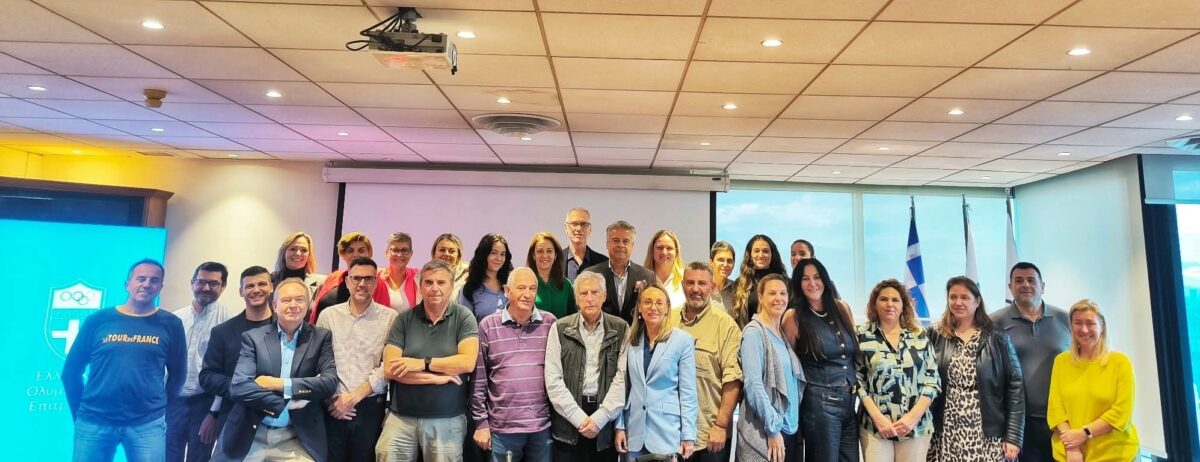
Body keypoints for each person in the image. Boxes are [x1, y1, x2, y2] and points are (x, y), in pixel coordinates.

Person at [63, 259, 187, 462]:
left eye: (154, 280)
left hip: (147, 424)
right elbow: (70, 372)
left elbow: (179, 374)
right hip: (94, 421)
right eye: (141, 279)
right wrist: (79, 413)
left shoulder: (171, 324)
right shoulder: (98, 320)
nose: (147, 284)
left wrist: (162, 409)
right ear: (127, 284)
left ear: (160, 287)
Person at [218, 278, 339, 462]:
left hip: (297, 435)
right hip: (251, 431)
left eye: (299, 300)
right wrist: (288, 402)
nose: (293, 305)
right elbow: (239, 387)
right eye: (286, 300)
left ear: (308, 304)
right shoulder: (253, 338)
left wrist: (280, 384)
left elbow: (329, 383)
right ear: (274, 305)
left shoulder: (321, 338)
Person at [376, 259, 480, 462]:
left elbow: (467, 362)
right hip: (400, 418)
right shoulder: (403, 319)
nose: (435, 288)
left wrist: (421, 363)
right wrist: (438, 378)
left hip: (447, 419)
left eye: (441, 282)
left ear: (451, 286)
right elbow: (390, 369)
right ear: (420, 286)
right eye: (429, 282)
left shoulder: (464, 317)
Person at [928, 276, 1025, 462]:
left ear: (977, 301)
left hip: (986, 431)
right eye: (953, 297)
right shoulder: (935, 334)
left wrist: (1013, 436)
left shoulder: (997, 338)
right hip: (945, 429)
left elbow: (1015, 387)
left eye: (965, 297)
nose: (958, 302)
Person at [316, 257, 399, 462]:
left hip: (369, 407)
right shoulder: (328, 316)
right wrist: (332, 399)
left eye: (368, 279)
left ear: (376, 282)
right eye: (356, 278)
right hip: (332, 405)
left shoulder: (390, 318)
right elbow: (319, 361)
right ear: (347, 282)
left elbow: (387, 366)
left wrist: (353, 398)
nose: (362, 284)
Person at [472, 267, 558, 462]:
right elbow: (479, 380)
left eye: (532, 288)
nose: (527, 294)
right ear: (507, 291)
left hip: (541, 427)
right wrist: (481, 423)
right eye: (521, 288)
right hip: (502, 429)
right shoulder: (488, 325)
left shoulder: (550, 323)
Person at [544, 271, 629, 462]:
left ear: (604, 296)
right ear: (576, 299)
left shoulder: (621, 328)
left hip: (605, 422)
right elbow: (553, 379)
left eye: (595, 292)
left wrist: (600, 418)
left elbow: (622, 379)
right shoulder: (560, 328)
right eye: (583, 293)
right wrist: (579, 419)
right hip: (568, 421)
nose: (589, 298)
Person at [990, 262, 1070, 462]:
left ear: (1042, 286)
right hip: (1019, 422)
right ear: (1010, 287)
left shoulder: (1066, 319)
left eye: (1031, 280)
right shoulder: (993, 323)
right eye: (1019, 280)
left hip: (1064, 419)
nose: (1025, 284)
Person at [781, 258, 858, 462]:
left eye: (817, 277)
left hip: (850, 402)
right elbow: (789, 367)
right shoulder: (793, 316)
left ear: (825, 279)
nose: (812, 283)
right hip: (819, 404)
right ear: (798, 284)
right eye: (805, 278)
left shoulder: (842, 308)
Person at [856, 279, 940, 462]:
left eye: (895, 300)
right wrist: (878, 418)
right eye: (883, 299)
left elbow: (932, 380)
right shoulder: (861, 335)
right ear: (874, 304)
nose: (889, 304)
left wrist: (912, 418)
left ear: (903, 306)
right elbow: (857, 381)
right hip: (875, 427)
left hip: (916, 426)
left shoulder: (919, 335)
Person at [200, 266, 276, 462]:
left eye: (262, 284)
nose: (256, 290)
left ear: (271, 287)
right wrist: (243, 388)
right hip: (234, 422)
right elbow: (207, 377)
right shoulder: (223, 332)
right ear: (241, 291)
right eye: (249, 286)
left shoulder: (287, 329)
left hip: (278, 424)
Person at [614, 283, 698, 461]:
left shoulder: (683, 341)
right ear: (639, 307)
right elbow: (622, 386)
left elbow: (688, 392)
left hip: (667, 432)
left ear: (667, 308)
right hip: (633, 431)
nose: (653, 307)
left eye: (659, 303)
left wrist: (688, 435)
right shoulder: (630, 340)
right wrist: (619, 426)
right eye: (648, 302)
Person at [1047, 300, 1138, 462]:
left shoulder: (1120, 363)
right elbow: (1056, 409)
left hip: (1115, 455)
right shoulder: (1061, 361)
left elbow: (1121, 413)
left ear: (1102, 326)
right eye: (1078, 323)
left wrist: (1084, 434)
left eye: (1090, 323)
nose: (1084, 329)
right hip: (1069, 455)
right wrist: (1072, 446)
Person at [671, 262, 743, 462]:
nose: (695, 289)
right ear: (682, 285)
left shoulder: (726, 326)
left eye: (702, 283)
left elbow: (733, 380)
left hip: (709, 435)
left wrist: (721, 425)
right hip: (672, 432)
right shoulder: (668, 319)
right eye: (690, 283)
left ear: (712, 287)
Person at [169, 262, 235, 462]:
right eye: (201, 282)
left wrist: (214, 413)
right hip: (172, 403)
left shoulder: (229, 322)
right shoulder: (175, 319)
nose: (206, 288)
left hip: (205, 404)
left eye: (213, 283)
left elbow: (228, 372)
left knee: (199, 459)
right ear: (192, 283)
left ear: (223, 286)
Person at [738, 274, 803, 462]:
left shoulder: (782, 334)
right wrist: (773, 430)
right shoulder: (754, 332)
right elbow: (753, 385)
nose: (778, 298)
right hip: (768, 432)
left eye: (783, 293)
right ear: (760, 297)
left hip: (790, 429)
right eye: (772, 293)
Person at [582, 221, 655, 324]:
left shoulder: (647, 276)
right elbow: (582, 310)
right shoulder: (590, 274)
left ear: (632, 246)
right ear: (607, 244)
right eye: (616, 240)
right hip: (600, 333)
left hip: (635, 333)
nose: (621, 245)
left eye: (626, 241)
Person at [311, 232, 390, 323]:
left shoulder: (379, 284)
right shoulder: (333, 277)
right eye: (350, 250)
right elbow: (316, 312)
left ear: (369, 253)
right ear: (343, 255)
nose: (355, 254)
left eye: (361, 250)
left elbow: (383, 319)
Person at [731, 235, 788, 328]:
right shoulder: (740, 283)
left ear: (772, 254)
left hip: (778, 335)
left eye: (765, 251)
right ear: (750, 254)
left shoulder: (785, 283)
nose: (761, 255)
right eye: (756, 251)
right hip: (748, 335)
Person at [460, 233, 513, 322]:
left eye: (502, 254)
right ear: (483, 255)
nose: (499, 258)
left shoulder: (511, 285)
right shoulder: (469, 289)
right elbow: (465, 325)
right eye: (493, 253)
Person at [529, 232, 577, 318]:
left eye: (549, 251)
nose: (545, 255)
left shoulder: (566, 285)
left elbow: (574, 318)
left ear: (555, 255)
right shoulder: (526, 284)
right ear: (533, 255)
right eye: (540, 251)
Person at [272, 231, 327, 299]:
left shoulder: (322, 282)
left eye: (304, 250)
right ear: (284, 252)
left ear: (309, 255)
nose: (298, 253)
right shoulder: (271, 280)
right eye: (293, 249)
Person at [643, 229, 685, 310]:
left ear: (676, 252)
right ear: (652, 250)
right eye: (660, 247)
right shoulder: (641, 279)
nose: (664, 252)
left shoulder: (685, 279)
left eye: (669, 248)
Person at [563, 207, 608, 280]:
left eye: (584, 224)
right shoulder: (555, 260)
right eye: (574, 224)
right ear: (566, 228)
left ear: (590, 229)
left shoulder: (604, 263)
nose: (579, 228)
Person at [380, 232, 420, 313]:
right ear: (386, 252)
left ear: (411, 254)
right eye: (395, 250)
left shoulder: (418, 276)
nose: (399, 255)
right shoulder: (375, 277)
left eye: (404, 250)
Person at [432, 233, 470, 302]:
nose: (446, 254)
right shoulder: (424, 275)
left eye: (451, 251)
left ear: (458, 255)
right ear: (434, 253)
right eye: (442, 250)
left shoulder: (469, 274)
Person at [709, 241, 737, 311]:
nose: (725, 264)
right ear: (711, 263)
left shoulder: (737, 289)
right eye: (721, 260)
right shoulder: (701, 288)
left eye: (729, 261)